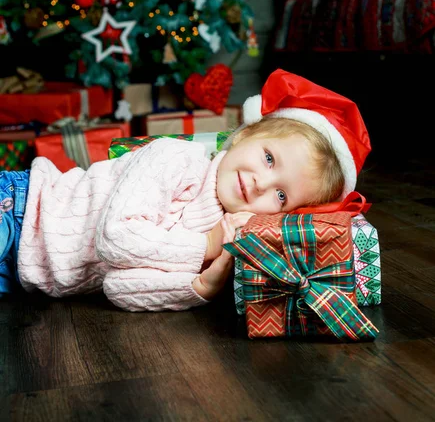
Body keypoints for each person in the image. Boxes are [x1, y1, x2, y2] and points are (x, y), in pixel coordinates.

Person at [0, 69, 371, 311]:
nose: (262, 182)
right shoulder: (176, 159)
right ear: (245, 133)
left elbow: (119, 287)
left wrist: (201, 286)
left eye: (281, 196)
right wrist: (205, 247)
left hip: (25, 276)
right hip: (21, 212)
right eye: (269, 159)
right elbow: (114, 238)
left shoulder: (223, 235)